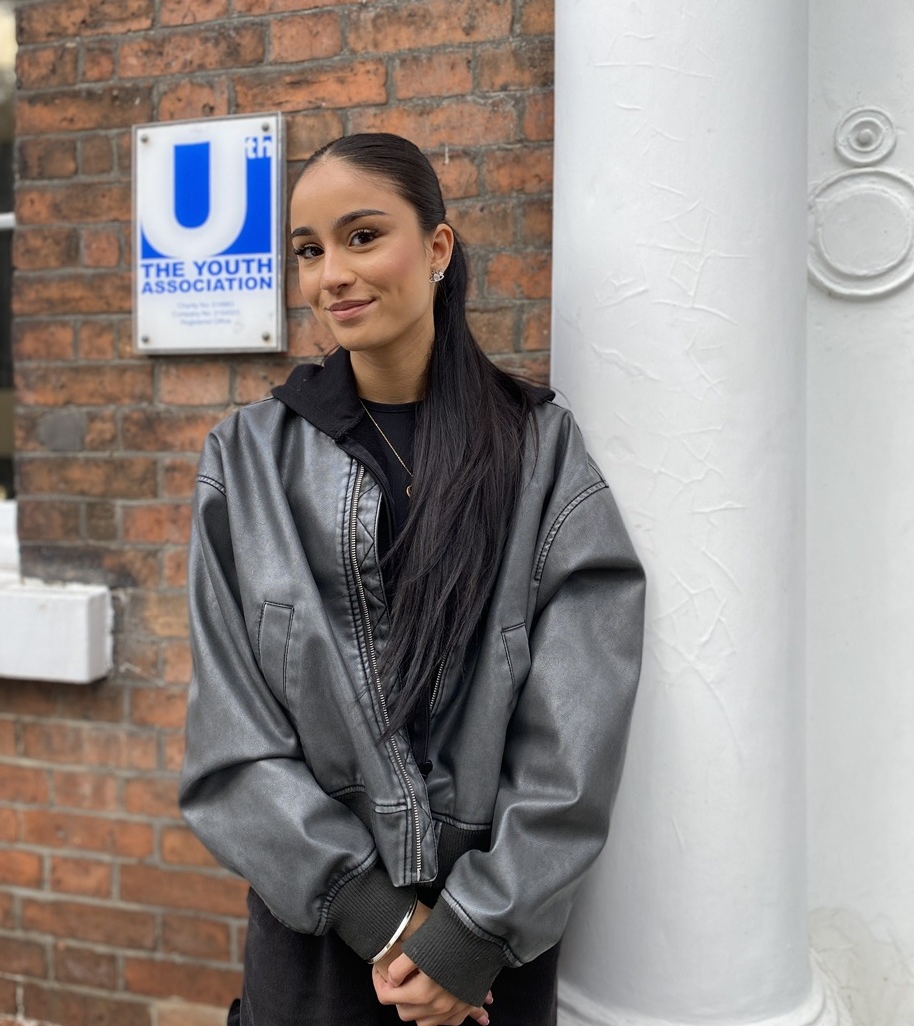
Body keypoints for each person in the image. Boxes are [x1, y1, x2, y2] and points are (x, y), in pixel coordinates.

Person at [178, 133, 646, 1026]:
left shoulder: (537, 450)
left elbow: (577, 728)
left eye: (361, 237)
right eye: (309, 251)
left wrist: (468, 934)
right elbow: (228, 740)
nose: (331, 276)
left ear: (436, 249)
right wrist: (385, 923)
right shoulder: (245, 459)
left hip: (490, 948)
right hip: (316, 934)